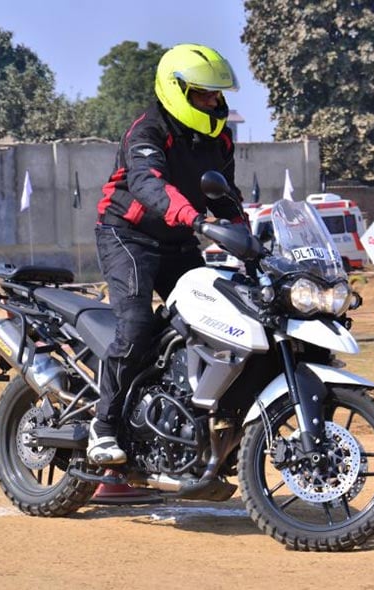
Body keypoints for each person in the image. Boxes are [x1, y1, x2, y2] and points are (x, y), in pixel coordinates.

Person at [89, 43, 246, 464]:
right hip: (128, 235)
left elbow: (224, 195)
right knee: (136, 325)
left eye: (216, 94)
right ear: (176, 91)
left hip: (180, 239)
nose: (212, 102)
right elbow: (148, 184)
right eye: (203, 94)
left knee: (214, 322)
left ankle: (179, 417)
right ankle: (103, 426)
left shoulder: (220, 137)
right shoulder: (148, 130)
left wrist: (248, 238)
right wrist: (192, 217)